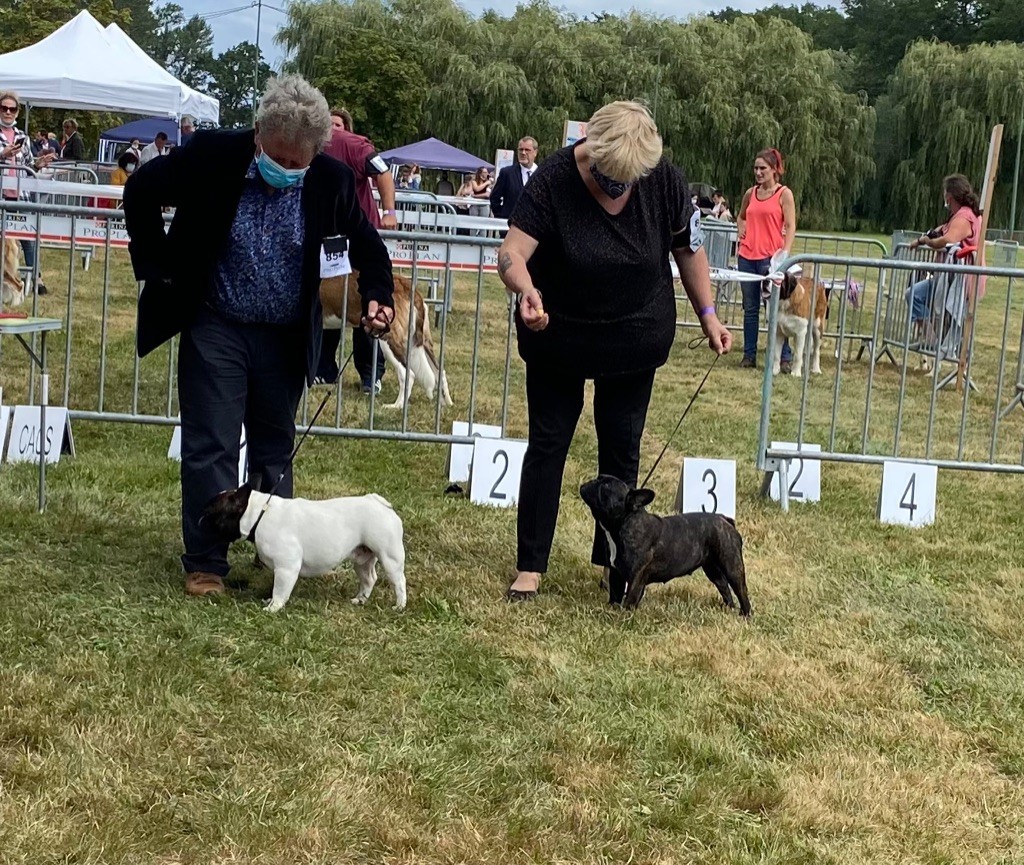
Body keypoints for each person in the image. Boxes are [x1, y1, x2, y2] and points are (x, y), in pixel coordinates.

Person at [122, 74, 395, 598]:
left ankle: (278, 554)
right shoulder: (210, 155)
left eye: (300, 161)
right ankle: (206, 563)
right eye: (279, 156)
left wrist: (378, 295)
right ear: (258, 135)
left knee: (274, 449)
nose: (289, 169)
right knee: (211, 445)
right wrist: (157, 267)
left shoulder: (331, 180)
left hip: (285, 335)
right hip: (216, 323)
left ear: (317, 151)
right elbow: (141, 190)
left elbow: (368, 245)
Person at [496, 100, 731, 601]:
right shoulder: (555, 178)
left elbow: (688, 250)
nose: (618, 187)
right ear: (591, 148)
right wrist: (525, 290)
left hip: (634, 334)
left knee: (621, 449)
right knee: (548, 443)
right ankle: (531, 565)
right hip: (559, 332)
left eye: (630, 179)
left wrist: (708, 314)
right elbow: (511, 253)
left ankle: (615, 564)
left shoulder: (664, 179)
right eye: (610, 177)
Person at [314, 106, 399, 392]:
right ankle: (323, 369)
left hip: (359, 237)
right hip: (328, 238)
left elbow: (383, 171)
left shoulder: (352, 145)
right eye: (328, 124)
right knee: (326, 302)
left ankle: (370, 374)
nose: (332, 129)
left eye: (337, 125)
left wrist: (389, 211)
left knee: (367, 303)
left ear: (346, 129)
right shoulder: (311, 141)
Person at [736, 148, 796, 370]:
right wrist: (741, 228)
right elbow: (741, 216)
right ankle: (749, 355)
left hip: (771, 259)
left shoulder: (784, 194)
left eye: (763, 168)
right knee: (750, 309)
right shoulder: (750, 193)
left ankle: (784, 357)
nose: (758, 172)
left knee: (775, 310)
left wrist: (785, 253)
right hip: (747, 257)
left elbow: (790, 225)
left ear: (774, 170)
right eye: (756, 168)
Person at [906, 174, 983, 342]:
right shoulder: (959, 215)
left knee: (916, 296)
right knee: (915, 295)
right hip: (948, 278)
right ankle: (933, 341)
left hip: (957, 281)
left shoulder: (964, 217)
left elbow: (948, 240)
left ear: (949, 196)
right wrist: (921, 240)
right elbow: (940, 230)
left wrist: (929, 242)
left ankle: (936, 343)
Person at [0, 91, 51, 294]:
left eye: (12, 109)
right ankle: (7, 280)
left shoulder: (23, 137)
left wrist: (38, 164)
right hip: (1, 196)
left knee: (27, 239)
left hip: (20, 196)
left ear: (17, 112)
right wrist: (2, 154)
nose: (8, 112)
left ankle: (35, 279)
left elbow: (28, 165)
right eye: (4, 108)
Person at [490, 136, 538, 221]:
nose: (523, 153)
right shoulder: (507, 173)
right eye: (520, 149)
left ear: (535, 152)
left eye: (527, 150)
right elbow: (494, 198)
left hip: (534, 228)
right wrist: (502, 217)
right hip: (510, 226)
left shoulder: (541, 174)